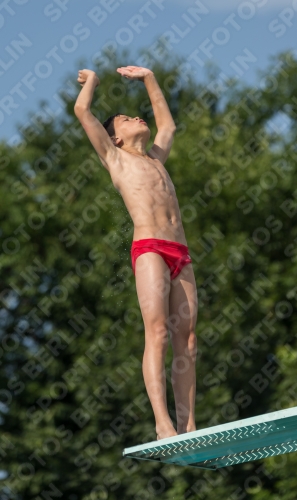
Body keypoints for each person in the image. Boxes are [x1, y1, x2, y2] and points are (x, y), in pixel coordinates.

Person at [74, 66, 198, 440]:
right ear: (115, 137)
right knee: (158, 332)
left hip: (181, 251)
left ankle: (188, 424)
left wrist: (149, 79)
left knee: (188, 339)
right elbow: (83, 112)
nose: (135, 117)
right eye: (127, 119)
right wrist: (93, 80)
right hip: (150, 249)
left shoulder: (156, 158)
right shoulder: (115, 159)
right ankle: (162, 424)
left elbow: (168, 125)